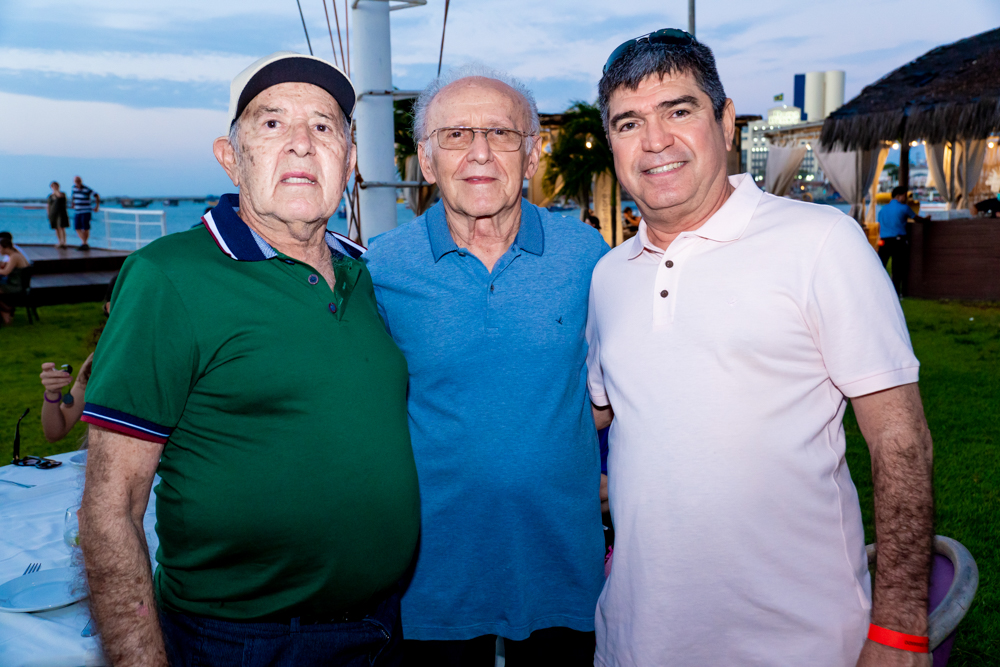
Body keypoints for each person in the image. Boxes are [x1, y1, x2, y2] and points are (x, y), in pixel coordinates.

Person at [587, 29, 934, 667]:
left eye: (679, 111)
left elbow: (900, 439)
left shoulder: (821, 244)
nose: (655, 140)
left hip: (800, 641)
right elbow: (608, 425)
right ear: (611, 142)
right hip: (637, 639)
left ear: (724, 120)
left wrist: (901, 626)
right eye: (629, 122)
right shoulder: (609, 277)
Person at [78, 51, 419, 667]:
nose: (299, 144)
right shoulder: (168, 277)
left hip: (382, 624)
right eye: (271, 124)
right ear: (230, 157)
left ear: (350, 159)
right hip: (246, 643)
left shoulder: (363, 274)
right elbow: (110, 507)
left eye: (323, 126)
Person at [364, 63, 608, 667]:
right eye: (455, 135)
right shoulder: (381, 268)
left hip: (560, 567)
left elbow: (621, 386)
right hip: (430, 576)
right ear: (426, 160)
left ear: (530, 157)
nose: (479, 153)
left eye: (502, 134)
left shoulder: (589, 259)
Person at [39, 275, 116, 444]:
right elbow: (55, 432)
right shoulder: (97, 360)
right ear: (110, 308)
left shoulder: (167, 357)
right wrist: (52, 393)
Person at [877, 185, 928, 298]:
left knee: (880, 267)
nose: (906, 199)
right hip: (898, 241)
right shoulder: (904, 208)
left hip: (884, 241)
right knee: (898, 269)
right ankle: (896, 293)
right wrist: (927, 220)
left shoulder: (883, 209)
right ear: (899, 196)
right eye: (905, 196)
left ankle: (878, 290)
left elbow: (879, 226)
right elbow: (917, 218)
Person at [0, 236, 30, 325]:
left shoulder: (14, 256)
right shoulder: (14, 255)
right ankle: (6, 310)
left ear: (6, 248)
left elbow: (5, 272)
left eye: (0, 248)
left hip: (15, 286)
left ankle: (6, 311)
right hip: (16, 284)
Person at [70, 176, 100, 250]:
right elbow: (73, 196)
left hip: (86, 211)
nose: (77, 182)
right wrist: (73, 203)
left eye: (78, 180)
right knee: (77, 227)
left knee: (85, 227)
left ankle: (84, 243)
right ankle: (84, 242)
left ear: (81, 181)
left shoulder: (87, 189)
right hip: (77, 211)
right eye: (76, 181)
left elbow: (96, 195)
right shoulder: (74, 188)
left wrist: (97, 206)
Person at [48, 181, 70, 247]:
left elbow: (60, 196)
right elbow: (49, 205)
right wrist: (49, 213)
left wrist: (56, 191)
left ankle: (64, 242)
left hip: (61, 213)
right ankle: (59, 241)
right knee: (56, 228)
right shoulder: (50, 196)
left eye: (55, 186)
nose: (54, 187)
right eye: (53, 186)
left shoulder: (62, 194)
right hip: (53, 213)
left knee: (61, 227)